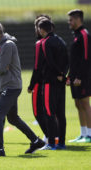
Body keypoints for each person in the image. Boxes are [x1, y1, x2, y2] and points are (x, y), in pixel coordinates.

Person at [0, 21, 45, 156]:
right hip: (4, 86)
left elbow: (0, 69)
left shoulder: (8, 45)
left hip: (12, 86)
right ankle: (36, 141)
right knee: (12, 118)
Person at [37, 19, 69, 150]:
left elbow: (49, 62)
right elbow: (68, 60)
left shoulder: (45, 42)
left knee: (49, 112)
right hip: (61, 82)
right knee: (61, 114)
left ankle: (51, 143)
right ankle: (61, 143)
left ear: (41, 30)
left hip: (50, 81)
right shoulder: (61, 41)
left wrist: (58, 73)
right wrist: (63, 74)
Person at [67, 9, 91, 143]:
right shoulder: (76, 35)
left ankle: (90, 134)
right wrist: (70, 76)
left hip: (84, 77)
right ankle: (83, 134)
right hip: (75, 77)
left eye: (71, 19)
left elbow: (86, 58)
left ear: (78, 19)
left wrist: (80, 77)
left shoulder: (84, 34)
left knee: (85, 103)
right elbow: (74, 60)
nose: (69, 22)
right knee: (77, 103)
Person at [28, 15, 52, 143]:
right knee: (51, 110)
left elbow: (37, 68)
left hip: (40, 83)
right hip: (51, 82)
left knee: (38, 112)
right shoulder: (55, 40)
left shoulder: (40, 43)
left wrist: (31, 85)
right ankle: (54, 136)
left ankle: (49, 137)